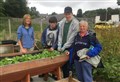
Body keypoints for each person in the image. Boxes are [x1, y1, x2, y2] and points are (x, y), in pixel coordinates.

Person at [57, 6, 79, 78]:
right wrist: (59, 45)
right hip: (62, 46)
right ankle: (65, 78)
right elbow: (60, 35)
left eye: (69, 14)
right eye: (66, 14)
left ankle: (69, 78)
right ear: (64, 14)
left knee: (69, 64)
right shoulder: (62, 22)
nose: (67, 16)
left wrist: (63, 47)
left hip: (70, 47)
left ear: (72, 13)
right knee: (62, 64)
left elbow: (71, 38)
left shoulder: (76, 23)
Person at [40, 16, 59, 81]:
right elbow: (42, 38)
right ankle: (44, 73)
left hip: (54, 48)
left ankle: (54, 74)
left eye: (53, 23)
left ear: (56, 23)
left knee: (54, 63)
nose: (52, 24)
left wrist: (54, 47)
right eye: (51, 23)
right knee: (45, 62)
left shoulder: (58, 30)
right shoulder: (46, 29)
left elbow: (58, 40)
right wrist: (43, 44)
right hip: (47, 47)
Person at [17, 14, 34, 81]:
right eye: (27, 18)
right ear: (24, 20)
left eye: (29, 18)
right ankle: (22, 78)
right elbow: (18, 39)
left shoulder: (31, 28)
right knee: (23, 64)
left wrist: (33, 43)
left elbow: (32, 37)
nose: (28, 20)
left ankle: (29, 77)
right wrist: (22, 48)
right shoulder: (20, 28)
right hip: (24, 48)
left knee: (30, 63)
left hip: (31, 48)